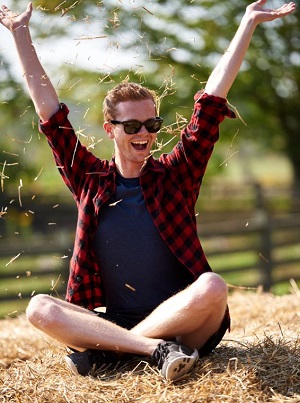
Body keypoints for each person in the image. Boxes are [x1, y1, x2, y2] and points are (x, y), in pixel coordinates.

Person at [0, 1, 296, 382]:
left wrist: (248, 23)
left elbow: (211, 100)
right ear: (110, 129)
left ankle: (111, 354)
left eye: (151, 123)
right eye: (132, 126)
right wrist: (20, 33)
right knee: (39, 307)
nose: (144, 133)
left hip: (185, 320)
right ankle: (150, 350)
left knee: (213, 285)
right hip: (117, 319)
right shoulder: (89, 178)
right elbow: (50, 115)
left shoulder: (177, 174)